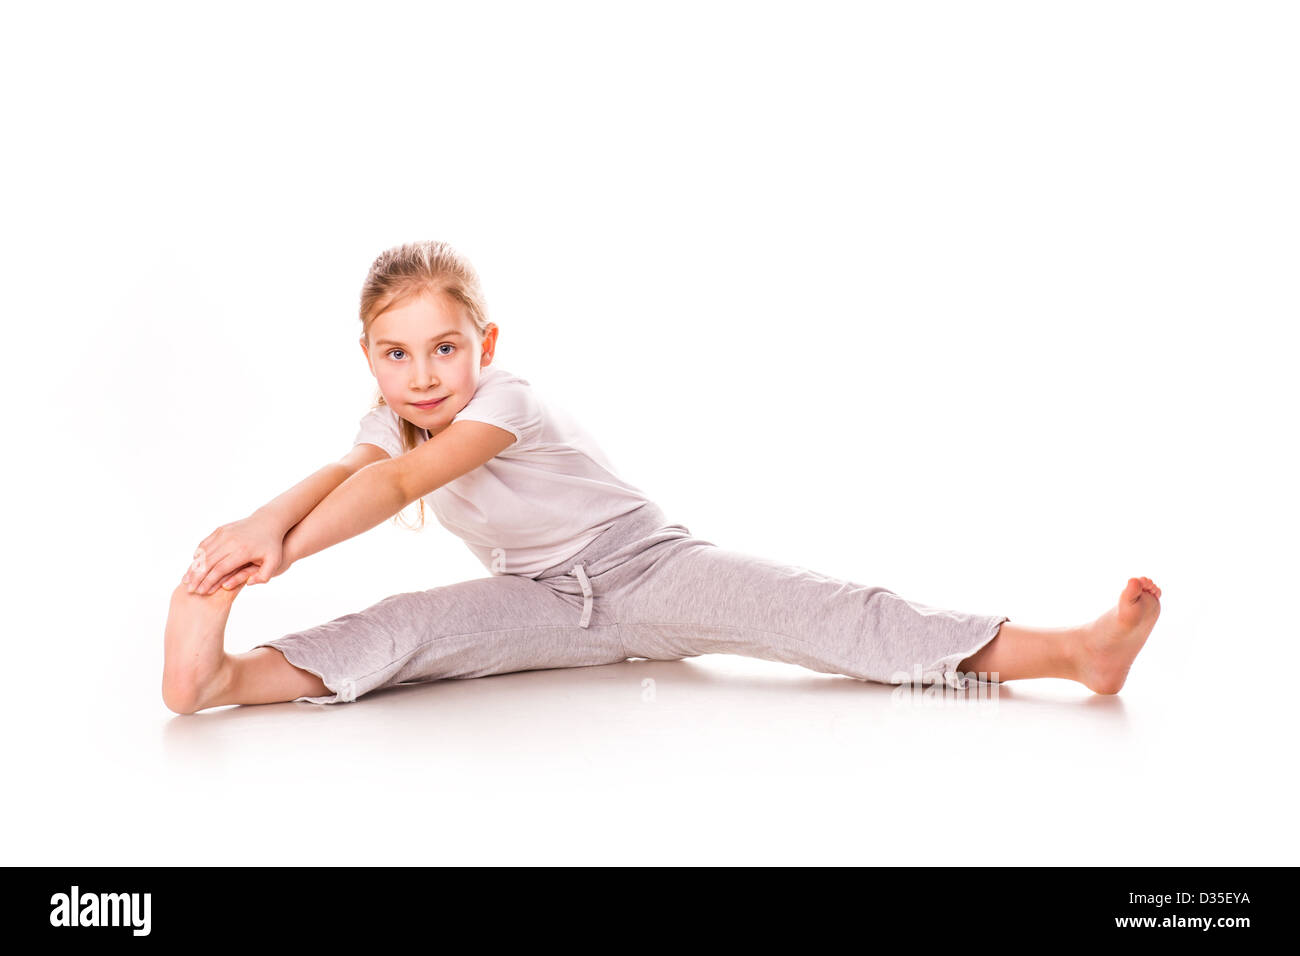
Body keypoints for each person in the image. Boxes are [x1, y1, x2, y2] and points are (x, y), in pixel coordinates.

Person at [163, 240, 1163, 714]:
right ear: (369, 359)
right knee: (406, 631)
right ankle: (223, 677)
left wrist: (274, 548)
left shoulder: (502, 401)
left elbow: (384, 492)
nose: (422, 376)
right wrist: (260, 529)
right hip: (541, 600)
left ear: (484, 343)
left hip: (644, 567)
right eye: (395, 354)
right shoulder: (384, 419)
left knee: (831, 614)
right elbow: (349, 468)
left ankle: (1071, 652)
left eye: (442, 348)